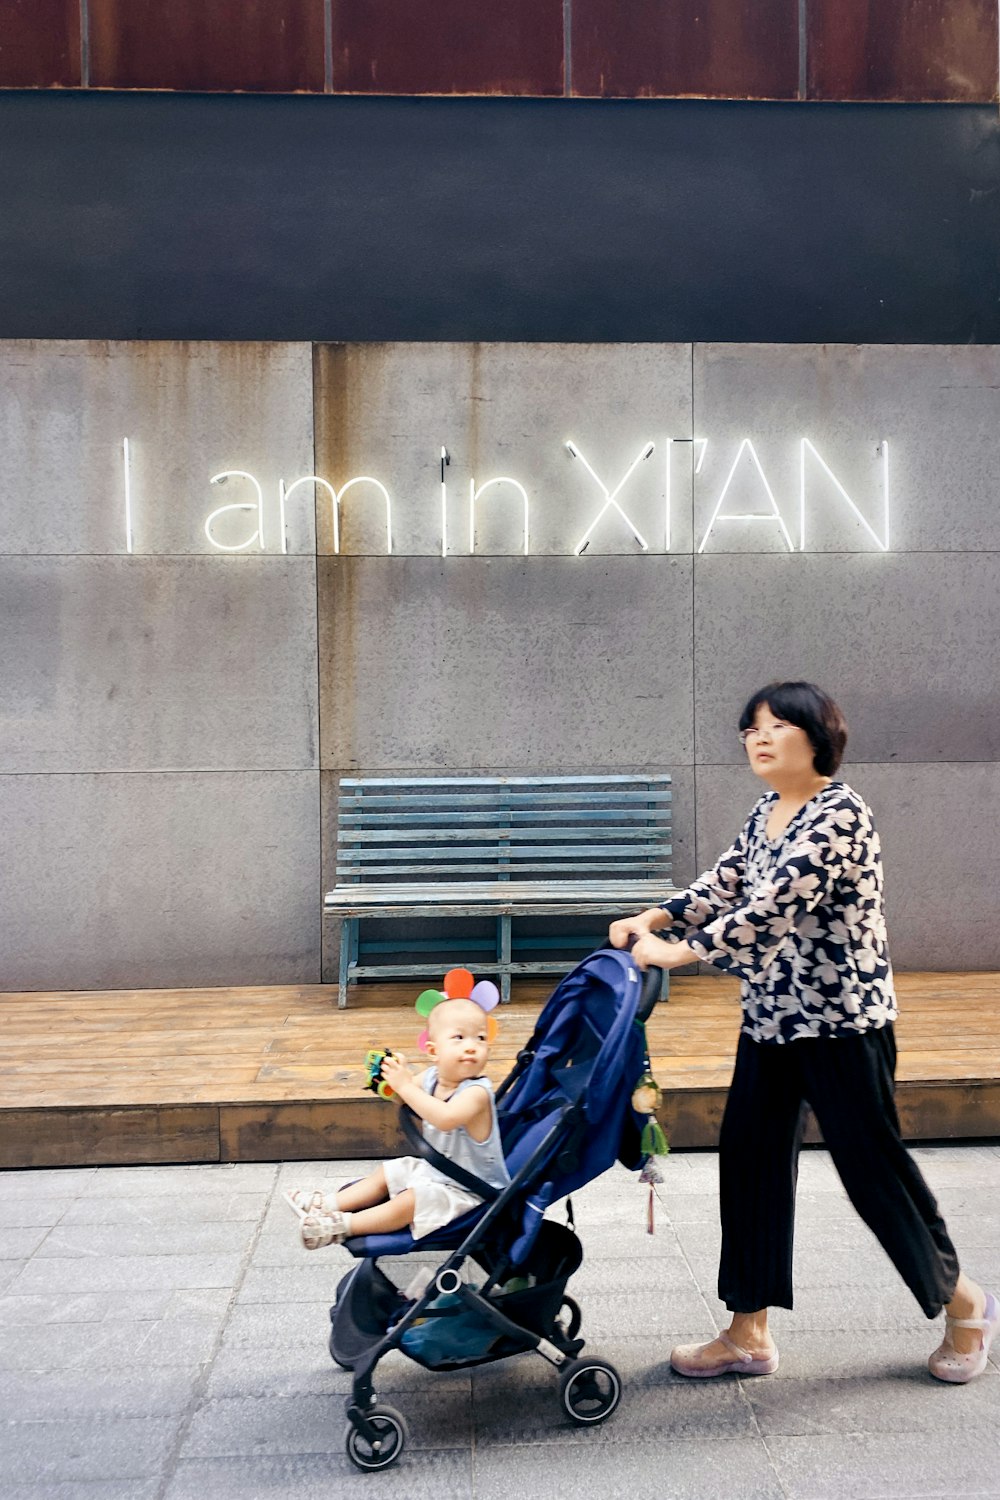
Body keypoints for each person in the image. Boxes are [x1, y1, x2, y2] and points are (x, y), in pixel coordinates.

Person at [610, 681, 998, 1385]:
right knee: (751, 1162)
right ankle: (746, 1332)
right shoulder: (768, 811)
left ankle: (966, 1303)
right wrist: (656, 916)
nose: (759, 737)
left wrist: (681, 951)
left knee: (874, 1172)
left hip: (842, 1024)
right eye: (750, 727)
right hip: (771, 1019)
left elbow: (771, 909)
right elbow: (725, 883)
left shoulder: (839, 815)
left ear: (818, 736)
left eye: (777, 724)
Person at [285, 995, 509, 1249]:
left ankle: (339, 1227)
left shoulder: (477, 1093)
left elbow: (445, 1118)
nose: (471, 1046)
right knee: (390, 1171)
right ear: (434, 1051)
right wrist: (391, 1081)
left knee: (409, 1202)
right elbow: (403, 1098)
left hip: (471, 1191)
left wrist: (405, 1085)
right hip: (439, 1173)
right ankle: (324, 1205)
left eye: (480, 1038)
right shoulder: (433, 1076)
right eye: (459, 1037)